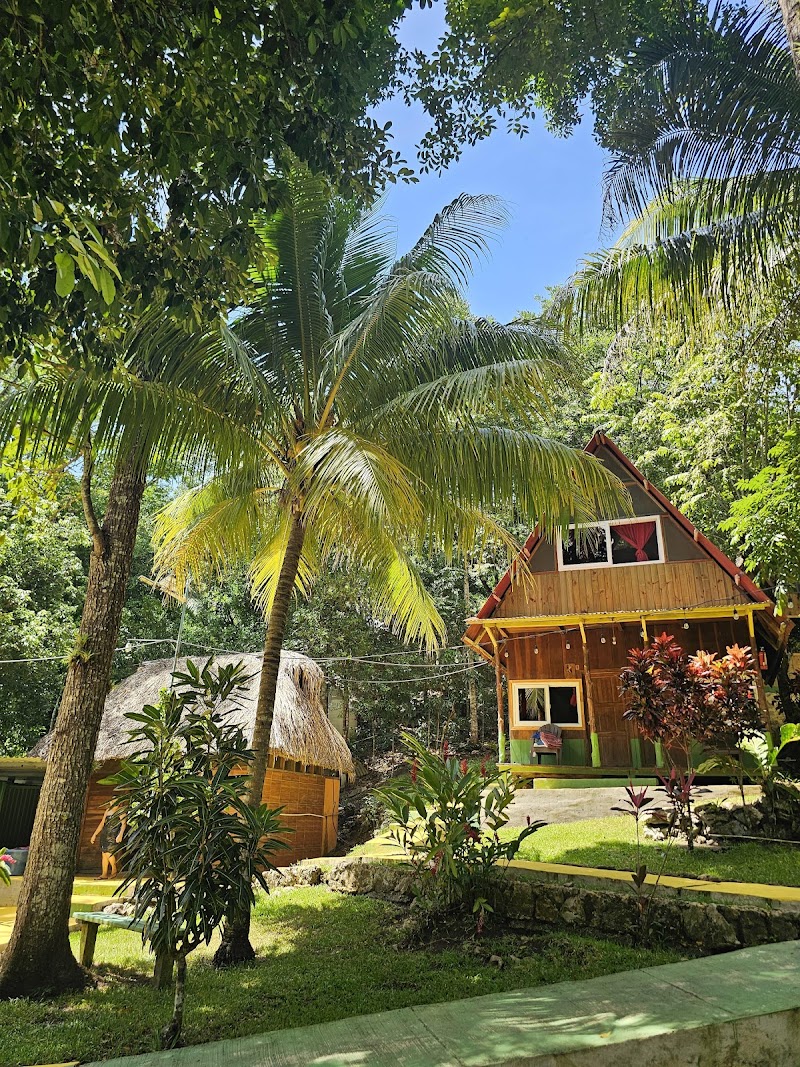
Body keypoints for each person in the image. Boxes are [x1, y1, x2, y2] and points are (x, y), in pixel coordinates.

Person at [90, 802, 127, 879]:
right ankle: (104, 874)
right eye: (112, 801)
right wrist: (95, 834)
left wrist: (120, 835)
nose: (113, 803)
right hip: (105, 833)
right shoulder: (107, 810)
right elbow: (102, 823)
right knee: (104, 853)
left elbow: (124, 824)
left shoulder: (121, 811)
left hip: (113, 834)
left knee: (109, 852)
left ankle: (114, 870)